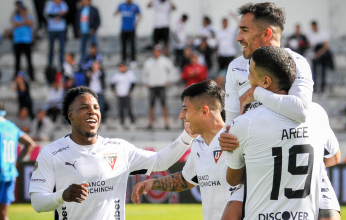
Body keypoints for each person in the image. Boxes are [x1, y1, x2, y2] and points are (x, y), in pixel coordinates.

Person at [219, 3, 340, 220]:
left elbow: (300, 111)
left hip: (299, 153)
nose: (238, 37)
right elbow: (231, 124)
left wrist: (256, 93)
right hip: (258, 157)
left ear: (266, 33)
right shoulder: (235, 67)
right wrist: (227, 138)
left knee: (329, 215)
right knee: (230, 214)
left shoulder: (297, 62)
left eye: (244, 30)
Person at [29, 86, 193, 219]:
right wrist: (62, 195)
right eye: (84, 107)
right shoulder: (51, 153)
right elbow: (37, 202)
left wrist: (187, 135)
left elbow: (159, 161)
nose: (92, 111)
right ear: (70, 115)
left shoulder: (119, 148)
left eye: (96, 107)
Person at [131, 80, 242, 220]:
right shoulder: (198, 143)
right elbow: (185, 179)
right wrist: (151, 183)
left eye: (185, 109)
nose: (181, 116)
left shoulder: (237, 137)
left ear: (204, 111)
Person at [0, 101, 35, 220]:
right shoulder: (12, 127)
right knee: (4, 215)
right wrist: (15, 162)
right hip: (9, 173)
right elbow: (30, 143)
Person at [142, 45, 175, 130]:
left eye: (158, 51)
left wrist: (168, 80)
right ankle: (150, 123)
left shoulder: (165, 61)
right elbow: (144, 73)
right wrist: (146, 82)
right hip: (152, 85)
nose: (156, 52)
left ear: (160, 52)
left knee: (163, 105)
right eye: (155, 51)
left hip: (161, 85)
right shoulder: (148, 62)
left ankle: (166, 123)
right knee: (151, 106)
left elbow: (172, 70)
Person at [308, 20, 334, 93]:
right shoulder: (310, 35)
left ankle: (322, 88)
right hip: (315, 54)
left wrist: (319, 54)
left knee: (323, 72)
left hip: (322, 55)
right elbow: (311, 46)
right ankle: (315, 88)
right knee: (314, 72)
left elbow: (326, 46)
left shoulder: (323, 33)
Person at [115, 0, 142, 67]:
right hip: (124, 29)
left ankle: (133, 60)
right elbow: (116, 12)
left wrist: (137, 22)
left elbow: (140, 15)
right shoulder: (122, 5)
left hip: (131, 29)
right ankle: (123, 59)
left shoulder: (135, 6)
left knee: (132, 45)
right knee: (123, 45)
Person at [12, 4, 35, 81]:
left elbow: (30, 23)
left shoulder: (29, 17)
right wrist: (24, 22)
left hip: (27, 41)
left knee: (29, 60)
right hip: (18, 41)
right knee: (17, 60)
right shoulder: (16, 17)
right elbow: (15, 24)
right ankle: (16, 75)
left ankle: (31, 75)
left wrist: (22, 22)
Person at [111, 61, 136, 129]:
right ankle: (121, 123)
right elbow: (112, 84)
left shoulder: (129, 74)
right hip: (120, 94)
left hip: (126, 94)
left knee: (129, 109)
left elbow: (133, 83)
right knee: (120, 110)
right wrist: (115, 91)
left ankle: (132, 122)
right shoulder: (116, 75)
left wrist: (129, 91)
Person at [45, 0, 69, 68]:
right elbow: (49, 14)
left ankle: (62, 64)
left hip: (61, 29)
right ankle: (50, 64)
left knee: (62, 47)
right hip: (52, 29)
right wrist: (59, 14)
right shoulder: (50, 3)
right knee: (51, 48)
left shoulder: (63, 3)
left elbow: (66, 14)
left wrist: (56, 15)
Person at [216, 17, 237, 87]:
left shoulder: (231, 30)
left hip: (230, 53)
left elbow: (240, 24)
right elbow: (217, 43)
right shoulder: (219, 32)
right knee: (221, 72)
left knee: (230, 72)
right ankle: (221, 87)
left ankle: (230, 86)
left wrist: (234, 16)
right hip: (221, 54)